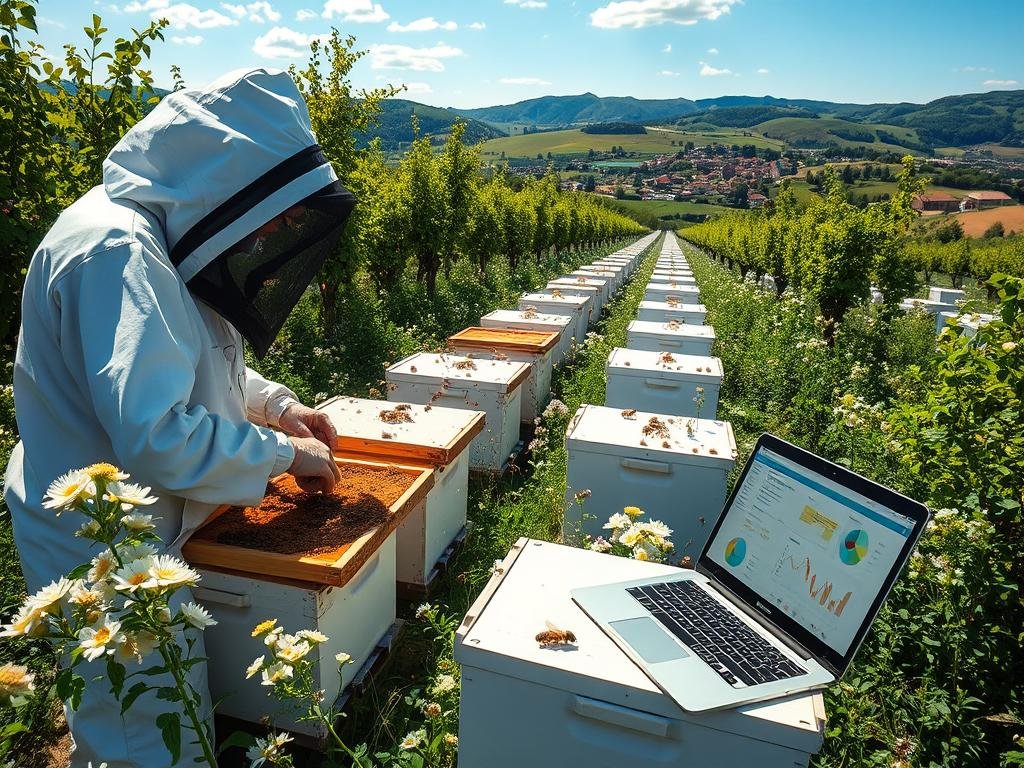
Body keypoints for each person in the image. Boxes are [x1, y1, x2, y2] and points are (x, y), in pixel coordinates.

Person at [3, 68, 354, 766]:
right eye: (277, 203)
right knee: (147, 738)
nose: (284, 224)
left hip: (135, 527)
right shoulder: (118, 253)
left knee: (158, 716)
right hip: (98, 539)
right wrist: (285, 458)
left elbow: (197, 359)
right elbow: (157, 432)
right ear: (227, 177)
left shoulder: (157, 235)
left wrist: (280, 408)